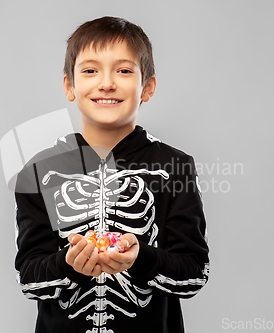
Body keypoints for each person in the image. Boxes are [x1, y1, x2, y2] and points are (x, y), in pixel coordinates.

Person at [14, 16, 209, 333]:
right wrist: (69, 265)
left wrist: (142, 258)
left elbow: (193, 274)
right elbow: (29, 280)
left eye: (124, 70)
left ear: (147, 87)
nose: (106, 83)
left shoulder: (175, 167)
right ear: (69, 85)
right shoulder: (38, 173)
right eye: (90, 70)